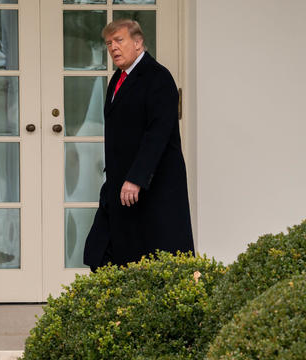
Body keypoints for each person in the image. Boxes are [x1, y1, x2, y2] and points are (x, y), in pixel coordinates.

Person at [83, 19, 194, 271]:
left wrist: (136, 178)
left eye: (119, 40)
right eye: (109, 43)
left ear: (138, 42)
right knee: (104, 250)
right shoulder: (118, 79)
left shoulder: (158, 78)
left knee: (157, 253)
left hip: (153, 185)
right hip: (121, 184)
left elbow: (158, 133)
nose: (113, 48)